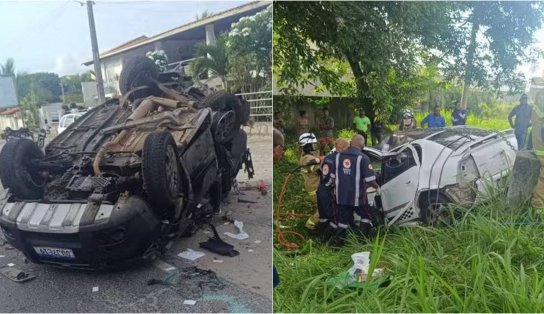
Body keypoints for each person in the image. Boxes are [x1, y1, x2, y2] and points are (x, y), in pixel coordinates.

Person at [329, 134, 380, 246]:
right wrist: (378, 188)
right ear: (362, 144)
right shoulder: (363, 158)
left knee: (343, 221)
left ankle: (337, 244)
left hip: (341, 197)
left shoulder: (337, 157)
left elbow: (332, 178)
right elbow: (370, 180)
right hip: (357, 197)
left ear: (351, 143)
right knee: (366, 216)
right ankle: (361, 241)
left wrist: (336, 190)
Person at [315, 138, 349, 241]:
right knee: (334, 218)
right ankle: (327, 240)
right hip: (330, 191)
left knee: (323, 216)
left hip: (321, 189)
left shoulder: (328, 157)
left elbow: (319, 171)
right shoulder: (341, 159)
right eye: (347, 147)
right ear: (343, 147)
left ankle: (318, 236)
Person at [298, 132, 322, 230]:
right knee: (322, 209)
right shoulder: (309, 159)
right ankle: (310, 225)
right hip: (316, 189)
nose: (315, 146)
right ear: (308, 146)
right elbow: (320, 171)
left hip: (311, 188)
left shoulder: (304, 157)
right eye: (313, 144)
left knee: (318, 206)